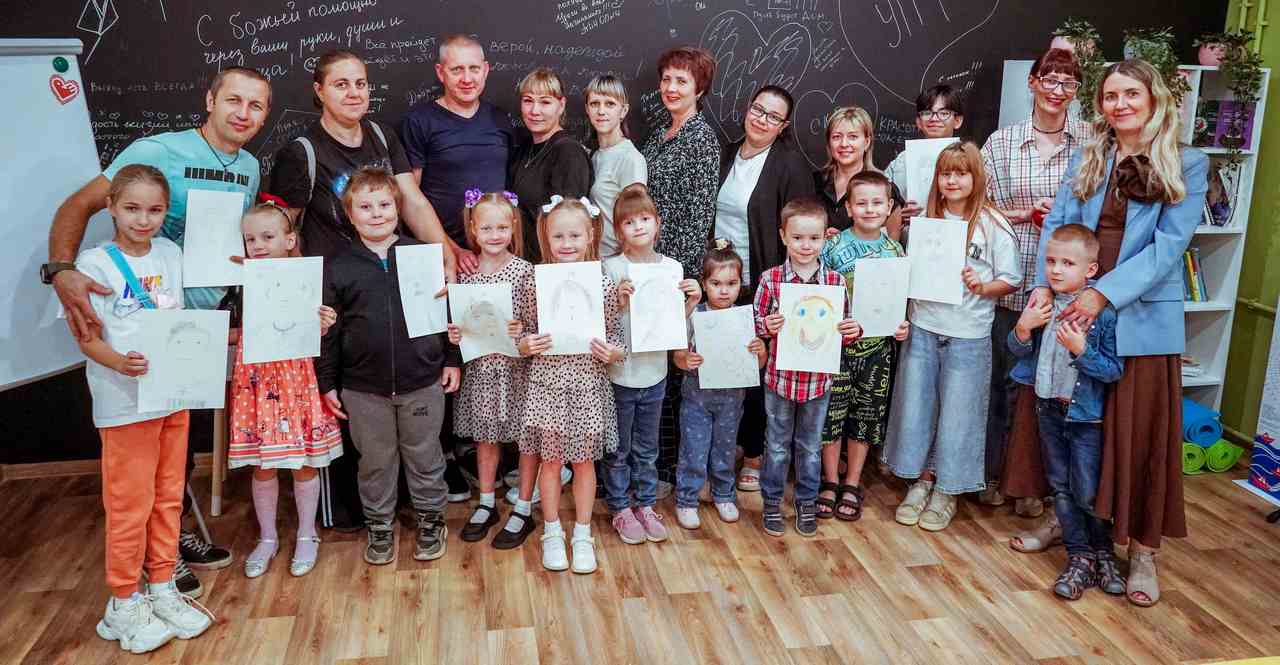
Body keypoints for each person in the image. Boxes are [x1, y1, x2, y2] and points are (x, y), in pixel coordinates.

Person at [48, 66, 271, 595]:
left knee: (179, 449)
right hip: (146, 325)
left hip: (204, 321)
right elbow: (77, 205)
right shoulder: (159, 150)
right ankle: (151, 563)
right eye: (233, 100)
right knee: (144, 456)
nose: (243, 113)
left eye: (256, 106)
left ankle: (171, 545)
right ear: (210, 100)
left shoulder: (250, 166)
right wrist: (61, 270)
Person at [1029, 59, 1208, 607]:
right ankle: (1072, 524)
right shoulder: (1090, 154)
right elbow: (1059, 224)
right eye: (1110, 95)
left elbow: (1168, 248)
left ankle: (1143, 551)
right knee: (1070, 424)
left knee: (1137, 436)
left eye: (1131, 93)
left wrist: (1103, 293)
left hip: (1138, 318)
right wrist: (1044, 286)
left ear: (1153, 99)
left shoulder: (1187, 162)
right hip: (1074, 306)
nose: (1120, 104)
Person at [270, 50, 464, 532]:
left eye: (360, 83)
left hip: (393, 283)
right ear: (319, 90)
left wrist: (445, 251)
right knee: (357, 415)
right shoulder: (303, 151)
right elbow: (282, 229)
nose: (354, 93)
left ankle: (420, 510)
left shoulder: (380, 135)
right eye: (341, 84)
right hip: (336, 296)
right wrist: (291, 297)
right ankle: (363, 515)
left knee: (413, 422)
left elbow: (412, 199)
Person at [73, 165, 212, 653]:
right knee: (129, 505)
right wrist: (119, 363)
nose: (143, 219)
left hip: (172, 395)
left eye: (154, 210)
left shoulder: (170, 253)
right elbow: (86, 336)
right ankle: (123, 601)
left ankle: (161, 586)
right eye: (132, 208)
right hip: (125, 403)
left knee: (168, 496)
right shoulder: (93, 264)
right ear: (111, 206)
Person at [316, 168, 462, 566]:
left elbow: (446, 312)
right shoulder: (338, 266)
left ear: (398, 209)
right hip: (362, 388)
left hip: (422, 380)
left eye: (384, 204)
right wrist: (327, 382)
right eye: (365, 207)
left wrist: (451, 359)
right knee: (375, 461)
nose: (376, 213)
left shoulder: (423, 255)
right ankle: (379, 524)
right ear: (350, 215)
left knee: (425, 455)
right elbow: (328, 330)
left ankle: (431, 519)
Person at [881, 142, 1021, 533]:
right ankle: (922, 479)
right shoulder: (925, 220)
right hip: (924, 327)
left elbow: (1011, 279)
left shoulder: (993, 224)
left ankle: (948, 490)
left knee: (960, 415)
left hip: (968, 333)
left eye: (961, 173)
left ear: (977, 178)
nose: (953, 181)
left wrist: (983, 286)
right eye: (946, 174)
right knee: (917, 408)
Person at [982, 48, 1093, 517]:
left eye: (1068, 83)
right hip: (1013, 282)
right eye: (1049, 79)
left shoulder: (1091, 140)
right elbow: (978, 205)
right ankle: (996, 475)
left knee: (1055, 393)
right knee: (1007, 384)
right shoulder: (1002, 142)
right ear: (1032, 82)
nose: (1057, 90)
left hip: (1071, 292)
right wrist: (1023, 213)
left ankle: (1038, 487)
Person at [1007, 224, 1124, 600]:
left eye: (1067, 263)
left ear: (1091, 270)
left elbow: (1112, 370)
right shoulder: (1042, 304)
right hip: (1047, 409)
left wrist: (1081, 350)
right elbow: (1018, 351)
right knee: (1060, 487)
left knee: (1087, 491)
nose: (1056, 270)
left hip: (1085, 417)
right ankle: (1079, 557)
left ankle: (1103, 553)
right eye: (1051, 261)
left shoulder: (1103, 315)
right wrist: (1023, 329)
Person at [227, 203, 343, 579]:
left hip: (295, 377)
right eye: (250, 239)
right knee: (263, 464)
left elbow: (314, 332)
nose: (258, 245)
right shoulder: (238, 277)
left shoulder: (306, 278)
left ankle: (307, 534)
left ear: (289, 239)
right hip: (256, 380)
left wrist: (323, 324)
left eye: (267, 236)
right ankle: (267, 537)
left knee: (302, 459)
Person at [516, 196, 625, 573]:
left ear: (591, 235)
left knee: (583, 463)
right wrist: (526, 344)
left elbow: (617, 337)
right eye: (558, 236)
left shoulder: (603, 284)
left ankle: (582, 534)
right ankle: (551, 531)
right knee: (550, 462)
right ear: (546, 237)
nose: (566, 243)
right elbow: (522, 331)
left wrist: (613, 352)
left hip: (587, 386)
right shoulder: (533, 282)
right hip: (546, 386)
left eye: (574, 235)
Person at [753, 197, 863, 537]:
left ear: (825, 238)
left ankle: (806, 501)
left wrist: (852, 331)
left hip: (818, 383)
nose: (806, 245)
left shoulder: (835, 283)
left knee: (810, 447)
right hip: (780, 380)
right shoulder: (771, 280)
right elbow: (755, 325)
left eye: (814, 238)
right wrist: (766, 326)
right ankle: (772, 503)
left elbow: (843, 331)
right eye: (798, 237)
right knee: (776, 446)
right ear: (783, 236)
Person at [603, 185, 701, 543]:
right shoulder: (611, 268)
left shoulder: (672, 268)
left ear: (657, 223)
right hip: (619, 375)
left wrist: (692, 301)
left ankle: (645, 504)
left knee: (647, 448)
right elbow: (602, 323)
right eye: (629, 222)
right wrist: (618, 302)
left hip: (655, 374)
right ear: (619, 231)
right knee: (618, 449)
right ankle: (620, 507)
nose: (639, 227)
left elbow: (672, 323)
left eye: (645, 219)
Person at [444, 190, 539, 549]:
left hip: (519, 371)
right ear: (473, 229)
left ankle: (524, 506)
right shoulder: (465, 276)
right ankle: (486, 502)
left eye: (502, 227)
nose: (495, 235)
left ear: (513, 227)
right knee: (485, 438)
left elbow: (536, 325)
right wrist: (456, 334)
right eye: (486, 228)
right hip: (483, 371)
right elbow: (463, 324)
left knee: (525, 439)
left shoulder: (525, 272)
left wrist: (521, 329)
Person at [817, 171, 911, 520]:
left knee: (866, 417)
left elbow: (898, 303)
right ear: (848, 208)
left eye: (877, 203)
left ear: (889, 206)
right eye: (861, 203)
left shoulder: (895, 251)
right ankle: (830, 480)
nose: (869, 209)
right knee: (832, 415)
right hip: (837, 350)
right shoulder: (832, 248)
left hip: (877, 351)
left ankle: (853, 481)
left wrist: (901, 325)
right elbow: (820, 297)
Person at [400, 34, 518, 270]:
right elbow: (410, 201)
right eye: (456, 70)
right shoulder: (419, 122)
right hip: (441, 255)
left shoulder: (500, 119)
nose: (467, 79)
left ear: (485, 70)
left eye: (474, 69)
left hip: (497, 254)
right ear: (440, 72)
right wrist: (451, 250)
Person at [673, 240, 767, 529]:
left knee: (725, 449)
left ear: (741, 284)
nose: (724, 291)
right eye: (716, 283)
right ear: (704, 283)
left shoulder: (745, 318)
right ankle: (687, 499)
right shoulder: (694, 315)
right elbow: (677, 355)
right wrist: (685, 360)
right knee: (693, 449)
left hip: (731, 400)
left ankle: (724, 494)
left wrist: (760, 350)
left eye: (731, 283)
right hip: (696, 399)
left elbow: (758, 364)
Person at [642, 46, 722, 278]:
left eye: (681, 81)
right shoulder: (659, 134)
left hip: (674, 269)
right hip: (646, 258)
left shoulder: (702, 139)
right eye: (666, 79)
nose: (671, 88)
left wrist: (676, 271)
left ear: (699, 90)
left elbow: (699, 218)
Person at [508, 68, 593, 262]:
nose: (534, 111)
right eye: (528, 100)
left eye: (545, 102)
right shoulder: (524, 150)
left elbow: (568, 226)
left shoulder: (568, 153)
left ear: (561, 105)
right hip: (524, 264)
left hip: (551, 267)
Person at [814, 106, 904, 238]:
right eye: (836, 137)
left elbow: (891, 244)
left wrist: (845, 243)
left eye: (853, 137)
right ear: (829, 143)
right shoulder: (813, 182)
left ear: (867, 142)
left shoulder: (885, 188)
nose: (844, 144)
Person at [584, 75, 647, 256]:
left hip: (617, 261)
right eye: (595, 104)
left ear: (623, 110)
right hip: (595, 260)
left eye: (610, 104)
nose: (601, 111)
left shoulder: (630, 158)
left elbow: (638, 224)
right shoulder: (595, 155)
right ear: (587, 109)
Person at [883, 85, 966, 220]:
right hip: (908, 231)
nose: (934, 118)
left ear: (957, 121)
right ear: (918, 122)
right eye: (927, 113)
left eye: (944, 113)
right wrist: (896, 213)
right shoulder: (902, 161)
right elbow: (879, 202)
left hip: (956, 229)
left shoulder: (970, 159)